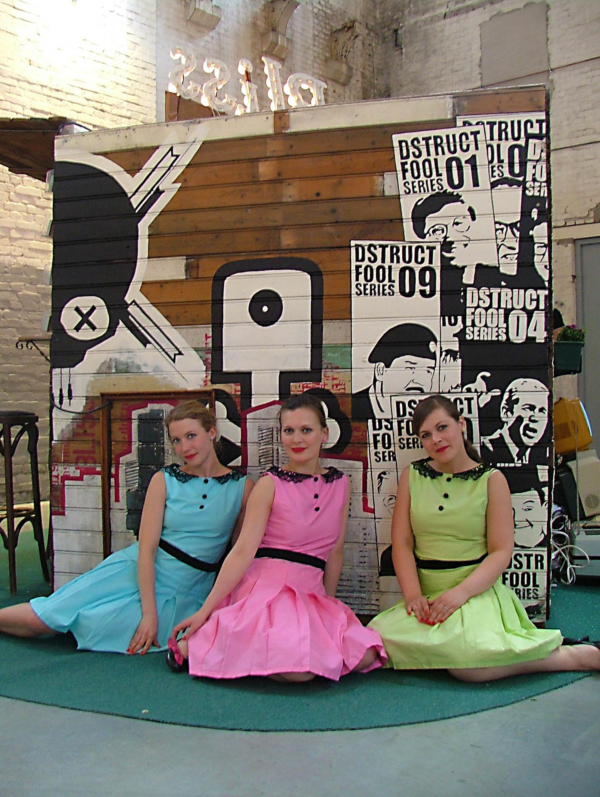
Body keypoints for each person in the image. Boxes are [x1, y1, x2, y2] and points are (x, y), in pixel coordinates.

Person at [367, 395, 600, 680]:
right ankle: (449, 649)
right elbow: (402, 544)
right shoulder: (411, 475)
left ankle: (574, 656)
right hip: (427, 597)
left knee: (471, 669)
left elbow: (501, 552)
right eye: (425, 435)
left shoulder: (491, 480)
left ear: (461, 424)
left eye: (442, 428)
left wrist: (461, 593)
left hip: (473, 594)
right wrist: (413, 595)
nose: (436, 440)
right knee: (372, 644)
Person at [0, 400, 252, 654]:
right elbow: (147, 550)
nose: (184, 447)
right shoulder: (165, 480)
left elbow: (239, 553)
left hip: (191, 590)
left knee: (100, 626)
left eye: (191, 436)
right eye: (176, 440)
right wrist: (149, 615)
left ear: (211, 432)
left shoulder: (242, 488)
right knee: (47, 618)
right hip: (139, 573)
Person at [167, 392, 386, 682]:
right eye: (289, 431)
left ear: (324, 434)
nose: (297, 439)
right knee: (301, 673)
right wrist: (205, 611)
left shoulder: (340, 483)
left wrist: (329, 608)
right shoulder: (269, 484)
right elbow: (242, 551)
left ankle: (252, 650)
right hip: (270, 589)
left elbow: (335, 551)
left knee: (366, 654)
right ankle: (203, 643)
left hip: (311, 590)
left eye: (306, 430)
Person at [352, 323, 438, 421]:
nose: (418, 380)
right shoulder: (352, 408)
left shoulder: (432, 414)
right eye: (410, 368)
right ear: (380, 371)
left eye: (428, 371)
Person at [480, 378, 548, 468]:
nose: (535, 417)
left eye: (542, 411)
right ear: (506, 412)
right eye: (528, 408)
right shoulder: (486, 448)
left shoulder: (541, 459)